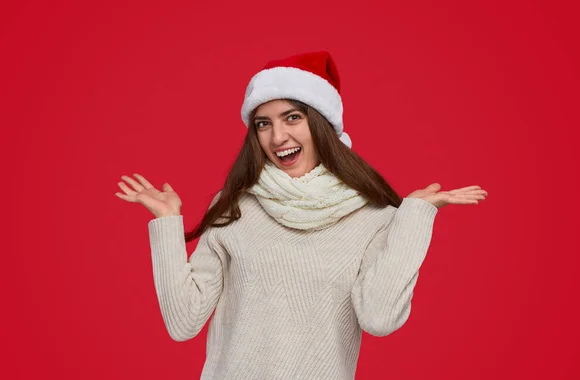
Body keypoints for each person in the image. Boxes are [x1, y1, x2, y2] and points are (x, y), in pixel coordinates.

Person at [115, 51, 488, 380]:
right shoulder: (234, 207)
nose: (278, 137)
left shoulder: (375, 217)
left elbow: (379, 318)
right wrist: (167, 222)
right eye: (263, 123)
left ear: (321, 123)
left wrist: (414, 217)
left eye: (292, 117)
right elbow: (184, 322)